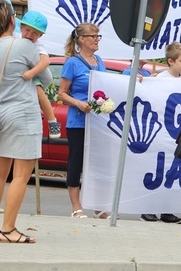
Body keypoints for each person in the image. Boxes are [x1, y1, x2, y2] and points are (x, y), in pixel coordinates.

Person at [0, 0, 52, 243]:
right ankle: (8, 229)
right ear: (13, 20)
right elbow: (48, 77)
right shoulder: (24, 46)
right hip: (23, 113)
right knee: (21, 175)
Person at [0, 10, 58, 150]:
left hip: (32, 76)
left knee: (39, 93)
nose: (29, 35)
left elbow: (45, 61)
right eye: (27, 30)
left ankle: (52, 121)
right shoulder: (15, 37)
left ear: (41, 35)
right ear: (20, 27)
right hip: (16, 80)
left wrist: (32, 72)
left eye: (35, 33)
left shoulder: (38, 46)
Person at [57, 22, 108, 219]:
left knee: (96, 164)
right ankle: (76, 207)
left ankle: (98, 206)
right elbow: (62, 93)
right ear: (82, 39)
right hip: (78, 122)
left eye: (98, 36)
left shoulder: (99, 60)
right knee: (76, 163)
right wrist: (78, 103)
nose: (97, 40)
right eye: (93, 36)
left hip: (97, 122)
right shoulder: (72, 63)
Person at [139, 42, 181, 224]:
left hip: (176, 134)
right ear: (170, 61)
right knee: (157, 171)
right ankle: (148, 209)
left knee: (172, 172)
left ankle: (167, 210)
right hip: (161, 132)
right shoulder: (159, 78)